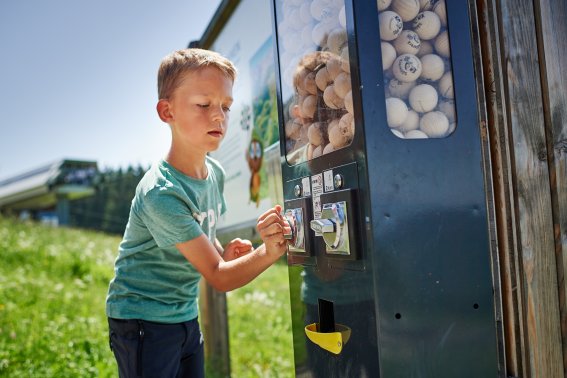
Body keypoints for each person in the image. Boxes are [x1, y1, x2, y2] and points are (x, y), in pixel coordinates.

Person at [105, 48, 290, 378]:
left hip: (184, 314)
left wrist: (224, 253)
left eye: (226, 106)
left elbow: (208, 249)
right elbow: (219, 277)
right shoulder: (161, 193)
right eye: (204, 105)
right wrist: (268, 251)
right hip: (142, 320)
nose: (219, 116)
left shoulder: (214, 174)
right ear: (167, 111)